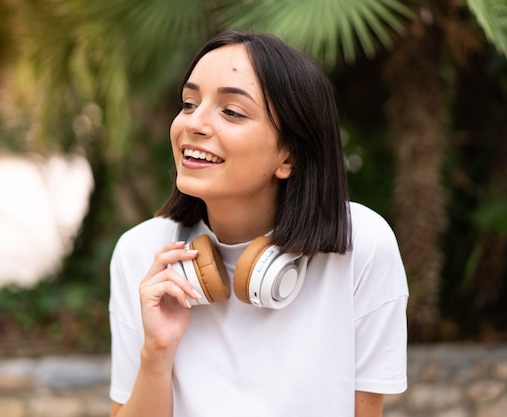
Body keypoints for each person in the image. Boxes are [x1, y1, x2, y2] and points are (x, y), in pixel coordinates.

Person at [108, 30, 408, 417]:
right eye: (188, 103)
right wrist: (157, 353)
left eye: (231, 111)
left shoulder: (360, 245)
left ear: (289, 156)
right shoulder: (141, 253)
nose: (193, 123)